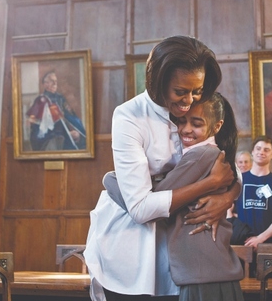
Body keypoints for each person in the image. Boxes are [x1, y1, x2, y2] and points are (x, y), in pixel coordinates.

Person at [84, 36, 239, 301]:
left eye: (197, 90)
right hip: (132, 240)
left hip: (180, 248)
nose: (189, 100)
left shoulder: (203, 109)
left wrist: (227, 196)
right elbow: (140, 208)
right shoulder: (129, 115)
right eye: (180, 91)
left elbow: (226, 166)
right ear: (158, 81)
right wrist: (209, 185)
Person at [103, 92, 245, 300]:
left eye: (196, 124)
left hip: (202, 269)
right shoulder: (209, 152)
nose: (186, 129)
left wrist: (110, 181)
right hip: (206, 267)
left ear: (216, 126)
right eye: (180, 122)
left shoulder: (200, 155)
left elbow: (154, 203)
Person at [234, 136, 272, 248]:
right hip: (240, 243)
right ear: (253, 152)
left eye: (266, 150)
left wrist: (260, 238)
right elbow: (228, 210)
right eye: (258, 148)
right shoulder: (238, 180)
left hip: (269, 243)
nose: (261, 152)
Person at [26, 71, 87, 150]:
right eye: (52, 81)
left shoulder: (60, 98)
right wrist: (67, 134)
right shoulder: (40, 101)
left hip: (64, 132)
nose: (55, 83)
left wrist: (76, 131)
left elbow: (69, 116)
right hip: (49, 137)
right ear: (45, 84)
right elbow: (36, 126)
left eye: (56, 81)